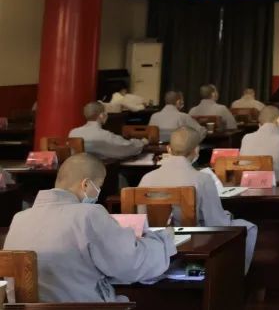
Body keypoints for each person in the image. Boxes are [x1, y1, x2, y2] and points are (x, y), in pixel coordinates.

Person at [3, 154, 175, 302]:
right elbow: (131, 264)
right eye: (98, 186)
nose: (98, 192)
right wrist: (162, 240)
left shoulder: (20, 219)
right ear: (85, 184)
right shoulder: (88, 214)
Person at [139, 128, 257, 272]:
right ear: (196, 150)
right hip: (193, 241)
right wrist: (227, 215)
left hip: (155, 243)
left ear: (168, 149)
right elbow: (216, 223)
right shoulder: (202, 179)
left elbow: (141, 219)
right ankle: (232, 278)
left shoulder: (147, 178)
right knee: (248, 227)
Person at [69, 102, 146, 160]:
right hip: (100, 173)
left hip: (78, 172)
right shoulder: (104, 135)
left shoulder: (73, 133)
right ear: (101, 115)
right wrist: (142, 142)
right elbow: (128, 148)